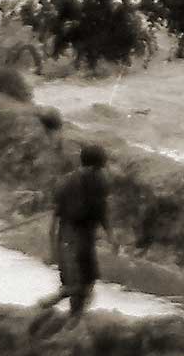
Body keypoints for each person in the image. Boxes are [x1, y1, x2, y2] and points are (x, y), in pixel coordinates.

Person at [29, 143, 117, 334]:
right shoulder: (78, 183)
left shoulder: (78, 183)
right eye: (100, 168)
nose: (101, 171)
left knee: (87, 280)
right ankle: (68, 314)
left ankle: (70, 312)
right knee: (78, 281)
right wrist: (52, 249)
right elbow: (101, 213)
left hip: (78, 236)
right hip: (73, 236)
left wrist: (110, 235)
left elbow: (101, 212)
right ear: (96, 167)